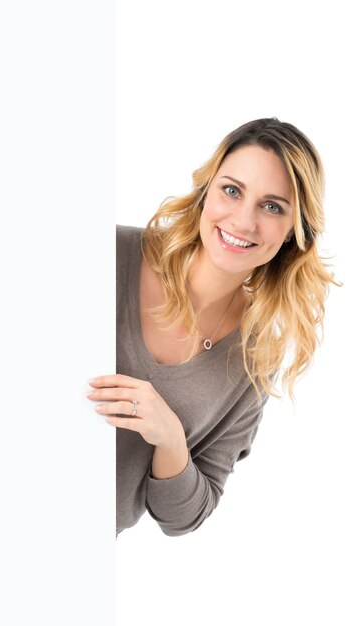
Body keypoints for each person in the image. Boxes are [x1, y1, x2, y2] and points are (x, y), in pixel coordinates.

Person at [87, 117, 337, 537]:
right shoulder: (109, 252)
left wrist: (170, 438)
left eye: (272, 206)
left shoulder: (254, 363)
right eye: (232, 190)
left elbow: (183, 517)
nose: (243, 221)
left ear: (296, 232)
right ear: (207, 191)